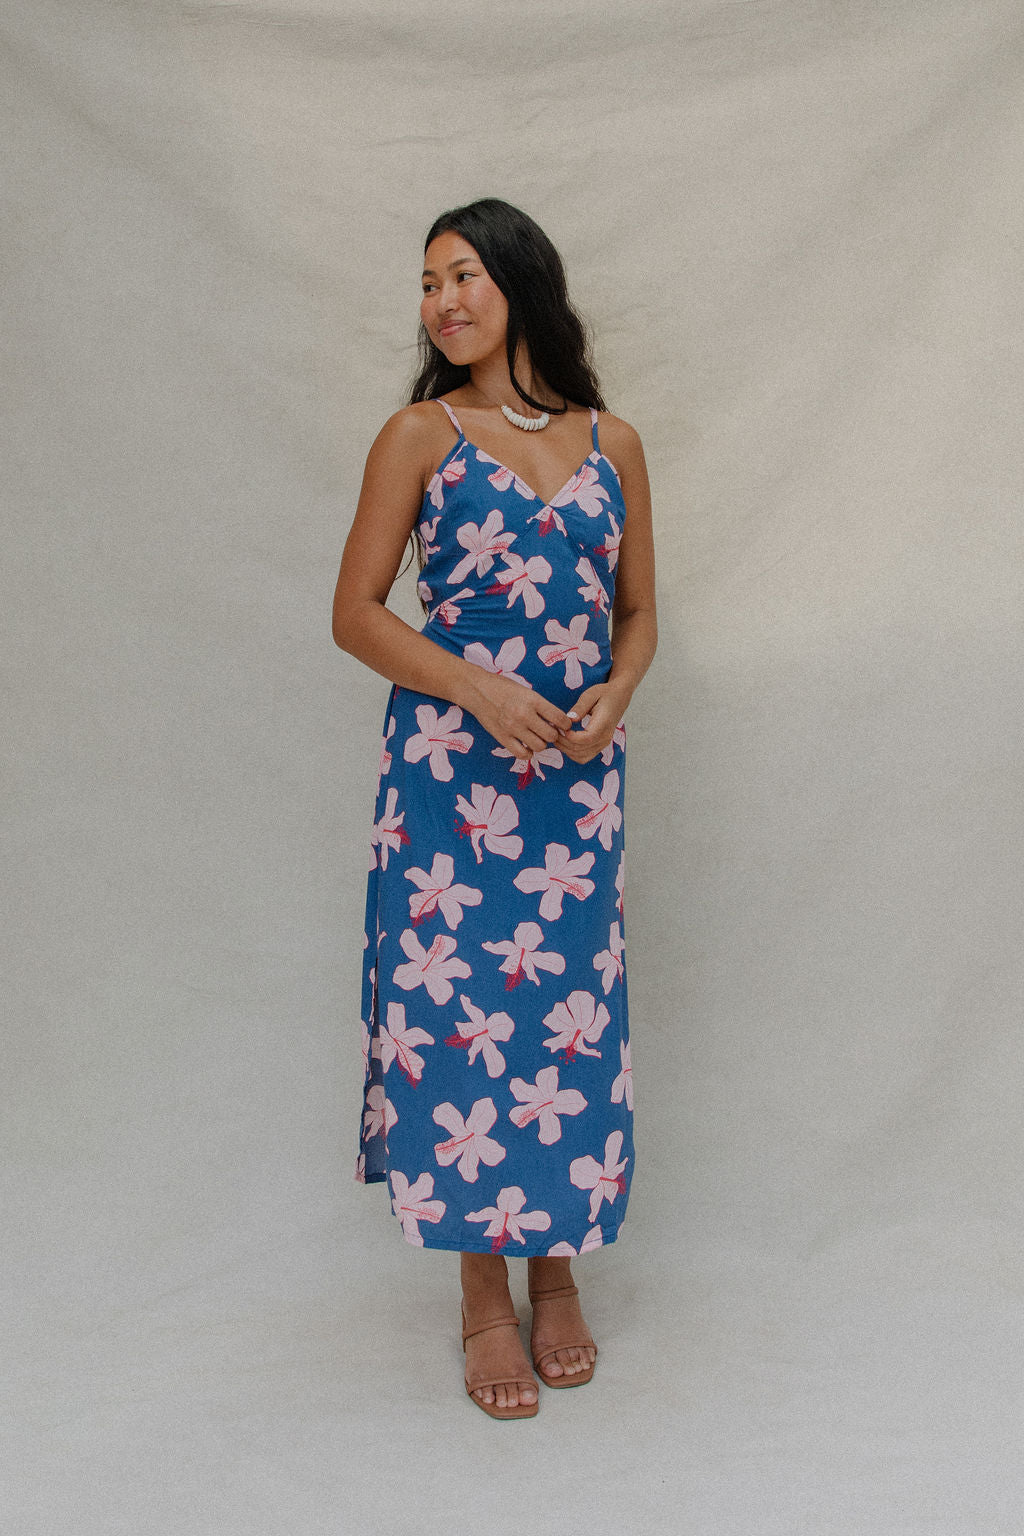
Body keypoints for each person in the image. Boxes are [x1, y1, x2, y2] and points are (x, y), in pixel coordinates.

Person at [332, 197, 657, 1420]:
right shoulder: (420, 434)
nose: (442, 302)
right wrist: (474, 686)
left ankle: (557, 1271)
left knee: (567, 1023)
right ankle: (482, 1296)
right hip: (449, 784)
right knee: (462, 1016)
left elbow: (638, 614)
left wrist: (614, 698)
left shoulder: (611, 441)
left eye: (461, 274)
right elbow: (355, 610)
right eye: (427, 284)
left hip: (574, 781)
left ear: (520, 281)